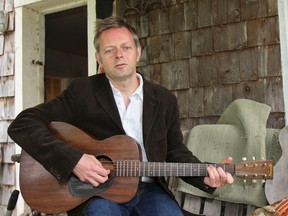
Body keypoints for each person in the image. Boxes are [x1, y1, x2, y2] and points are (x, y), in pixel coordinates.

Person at [8, 16, 234, 216]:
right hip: (98, 193)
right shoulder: (81, 93)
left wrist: (204, 176)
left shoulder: (164, 99)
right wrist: (74, 160)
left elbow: (175, 152)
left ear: (138, 51)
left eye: (125, 47)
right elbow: (22, 124)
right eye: (109, 50)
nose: (118, 55)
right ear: (99, 58)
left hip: (150, 190)